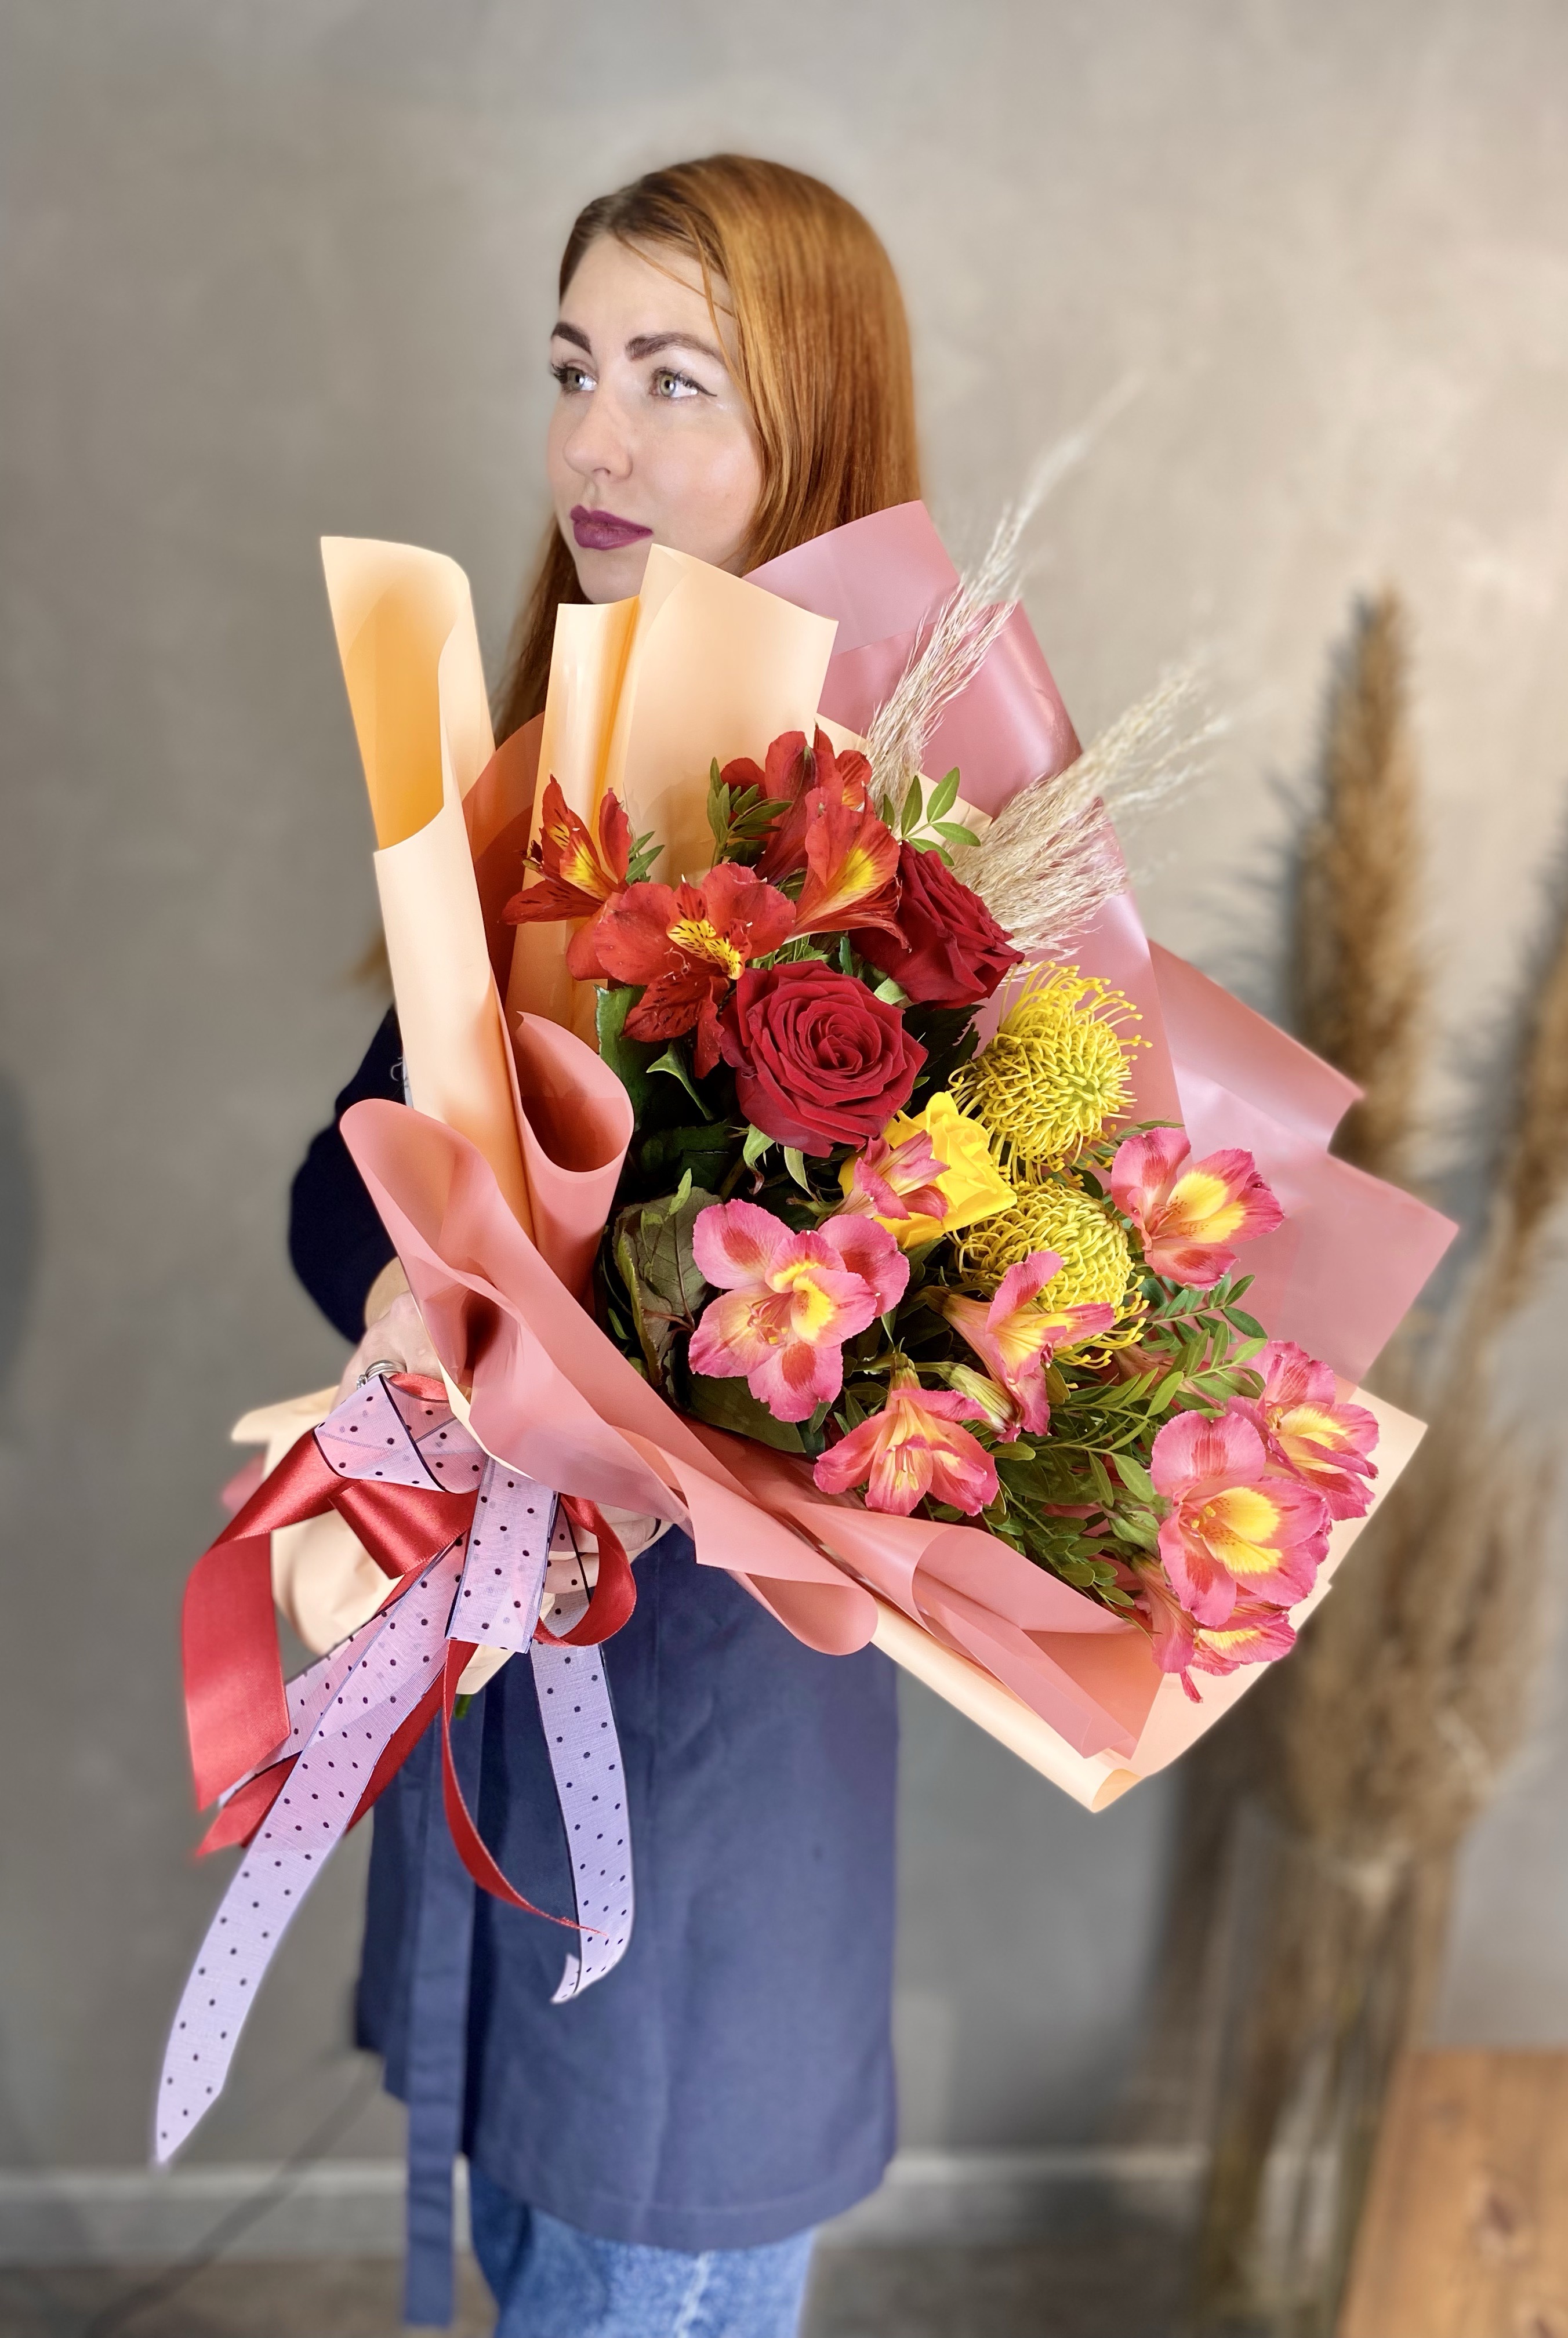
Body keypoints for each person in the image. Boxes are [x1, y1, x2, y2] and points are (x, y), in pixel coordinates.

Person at [289, 155, 921, 2338]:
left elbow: (874, 1377)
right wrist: (424, 1284)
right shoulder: (547, 787)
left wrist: (555, 1334)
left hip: (702, 1795)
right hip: (500, 1731)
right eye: (573, 370)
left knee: (641, 2257)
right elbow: (329, 1190)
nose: (594, 442)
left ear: (814, 425)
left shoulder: (905, 871)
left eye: (673, 381)